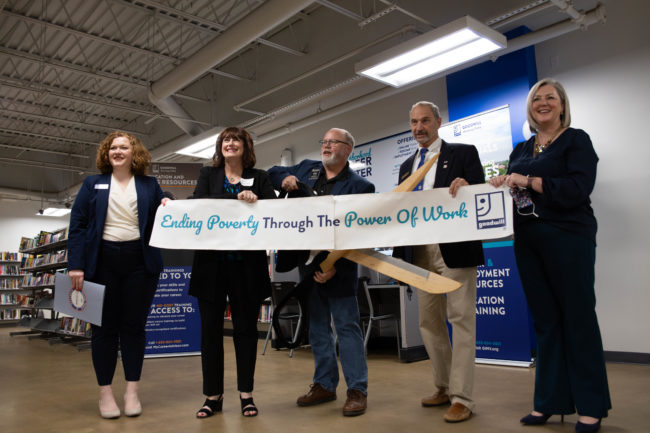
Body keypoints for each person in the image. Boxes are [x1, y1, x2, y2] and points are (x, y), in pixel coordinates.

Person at [489, 78, 611, 433]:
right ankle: (548, 402)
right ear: (529, 108)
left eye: (550, 98)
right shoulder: (521, 149)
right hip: (528, 240)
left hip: (569, 235)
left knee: (578, 319)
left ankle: (591, 407)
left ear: (561, 105)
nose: (542, 103)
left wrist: (526, 181)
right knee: (545, 322)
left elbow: (578, 188)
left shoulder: (576, 140)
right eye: (536, 99)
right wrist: (501, 185)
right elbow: (515, 192)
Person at [268, 128, 374, 417]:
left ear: (348, 149)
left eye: (333, 142)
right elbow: (272, 172)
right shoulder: (306, 169)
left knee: (347, 329)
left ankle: (357, 390)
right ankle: (324, 385)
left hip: (339, 268)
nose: (326, 146)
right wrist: (284, 179)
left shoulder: (360, 187)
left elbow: (358, 236)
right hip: (307, 265)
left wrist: (334, 268)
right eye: (324, 142)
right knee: (317, 329)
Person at [393, 101, 485, 423]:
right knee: (429, 323)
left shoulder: (463, 153)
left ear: (438, 122)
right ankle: (443, 386)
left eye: (425, 121)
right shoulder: (406, 166)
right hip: (419, 250)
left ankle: (463, 397)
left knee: (460, 319)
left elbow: (479, 194)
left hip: (454, 248)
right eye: (414, 122)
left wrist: (468, 187)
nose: (419, 128)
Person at [68, 131, 165, 419]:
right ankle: (106, 393)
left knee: (134, 328)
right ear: (106, 153)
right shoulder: (92, 184)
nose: (118, 151)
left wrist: (169, 200)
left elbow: (164, 208)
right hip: (102, 262)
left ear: (134, 153)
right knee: (104, 329)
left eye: (124, 147)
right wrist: (76, 264)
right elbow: (78, 225)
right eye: (113, 147)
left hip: (140, 262)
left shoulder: (149, 184)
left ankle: (132, 391)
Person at [188, 126, 276, 419]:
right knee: (210, 333)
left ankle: (246, 394)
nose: (230, 143)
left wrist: (257, 201)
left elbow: (274, 214)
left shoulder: (261, 177)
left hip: (246, 267)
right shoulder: (207, 175)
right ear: (220, 147)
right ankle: (212, 396)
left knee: (246, 332)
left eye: (236, 139)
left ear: (245, 147)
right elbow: (198, 205)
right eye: (226, 139)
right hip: (210, 267)